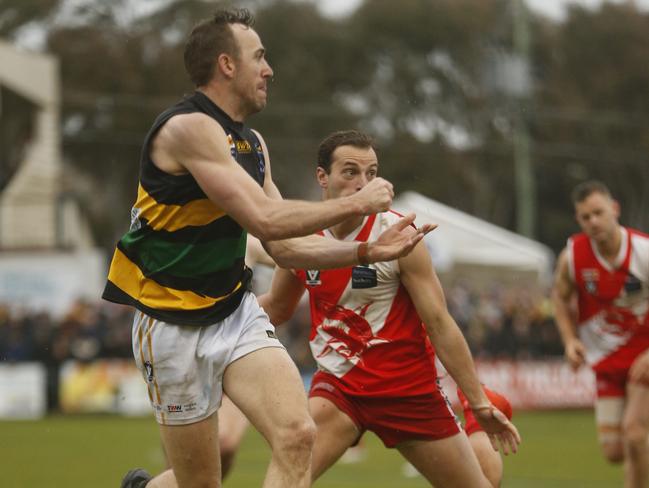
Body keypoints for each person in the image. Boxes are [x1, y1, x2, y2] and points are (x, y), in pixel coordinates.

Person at [103, 9, 434, 488]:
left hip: (233, 312)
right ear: (227, 65)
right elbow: (261, 217)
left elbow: (285, 247)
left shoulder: (252, 143)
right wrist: (359, 201)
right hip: (170, 322)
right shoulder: (188, 128)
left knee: (299, 433)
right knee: (201, 482)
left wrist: (367, 252)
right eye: (258, 57)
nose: (269, 69)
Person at [256, 129, 520, 487]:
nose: (362, 183)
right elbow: (277, 307)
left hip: (408, 392)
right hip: (339, 390)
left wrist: (477, 402)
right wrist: (213, 315)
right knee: (291, 462)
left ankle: (476, 424)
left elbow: (440, 323)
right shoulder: (301, 238)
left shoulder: (398, 235)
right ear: (323, 177)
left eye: (371, 173)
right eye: (350, 172)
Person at [552, 180, 649, 488]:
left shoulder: (644, 251)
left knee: (635, 433)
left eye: (598, 213)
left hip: (644, 357)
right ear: (578, 220)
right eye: (585, 217)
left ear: (614, 209)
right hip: (606, 361)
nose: (593, 222)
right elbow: (559, 297)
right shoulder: (572, 256)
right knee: (615, 451)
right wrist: (570, 341)